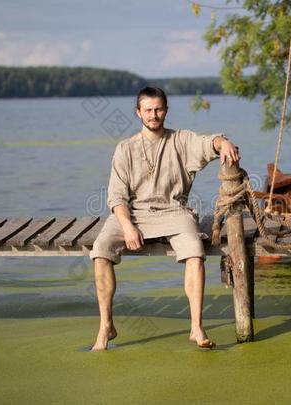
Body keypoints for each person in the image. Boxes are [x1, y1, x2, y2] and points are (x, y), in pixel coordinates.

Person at [89, 86, 240, 351]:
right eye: (148, 110)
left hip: (174, 211)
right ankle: (106, 326)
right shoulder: (125, 149)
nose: (153, 115)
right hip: (133, 213)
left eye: (158, 109)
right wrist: (127, 226)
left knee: (195, 250)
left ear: (166, 110)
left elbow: (209, 143)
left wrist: (223, 142)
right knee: (100, 250)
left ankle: (196, 327)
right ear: (138, 113)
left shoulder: (180, 140)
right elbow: (116, 199)